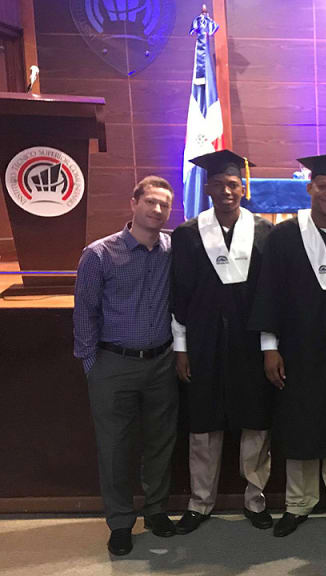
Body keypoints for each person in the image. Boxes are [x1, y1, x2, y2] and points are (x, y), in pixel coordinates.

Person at [248, 153, 326, 538]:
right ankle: (298, 504)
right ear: (309, 188)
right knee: (300, 423)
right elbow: (267, 294)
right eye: (324, 186)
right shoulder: (283, 236)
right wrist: (270, 347)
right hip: (299, 348)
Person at [171, 150, 274, 534]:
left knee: (256, 422)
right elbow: (178, 295)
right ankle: (200, 502)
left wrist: (269, 346)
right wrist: (181, 348)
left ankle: (255, 499)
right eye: (220, 184)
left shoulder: (264, 231)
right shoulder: (187, 234)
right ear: (209, 187)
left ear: (243, 188)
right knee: (203, 422)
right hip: (204, 341)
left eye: (234, 184)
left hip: (250, 342)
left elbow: (270, 296)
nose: (227, 190)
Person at [73, 176, 178, 555]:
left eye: (164, 204)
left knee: (160, 444)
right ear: (133, 202)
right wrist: (91, 364)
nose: (157, 210)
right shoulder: (99, 254)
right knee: (114, 449)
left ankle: (156, 511)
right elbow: (84, 312)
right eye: (150, 201)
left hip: (161, 363)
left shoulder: (172, 249)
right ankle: (119, 522)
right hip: (112, 364)